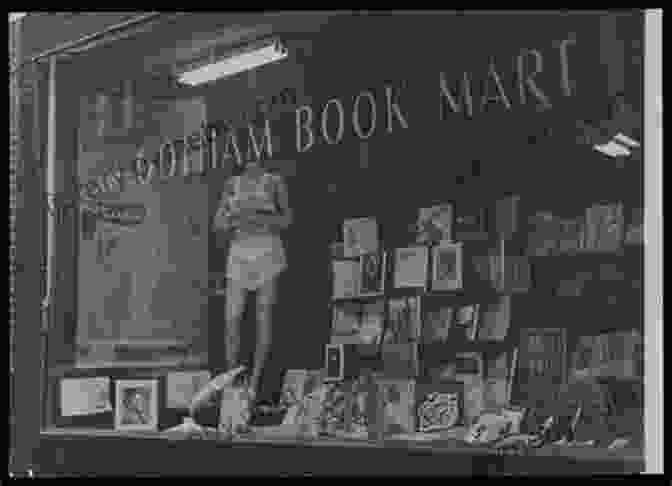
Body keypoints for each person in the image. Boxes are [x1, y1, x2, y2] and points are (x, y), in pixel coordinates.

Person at [191, 158, 292, 420]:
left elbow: (287, 220)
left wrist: (259, 218)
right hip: (239, 251)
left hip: (268, 249)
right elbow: (218, 224)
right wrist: (233, 219)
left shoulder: (274, 181)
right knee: (231, 320)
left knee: (263, 320)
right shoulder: (231, 184)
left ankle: (255, 388)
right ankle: (232, 385)